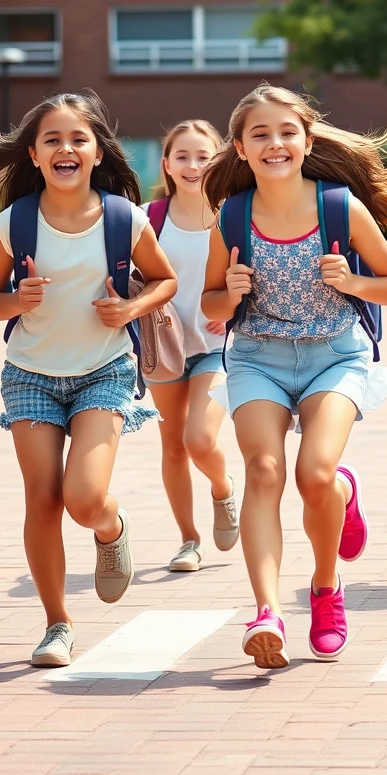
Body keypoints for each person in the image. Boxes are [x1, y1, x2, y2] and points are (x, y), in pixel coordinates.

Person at [201, 83, 387, 668]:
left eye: (287, 132)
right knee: (263, 470)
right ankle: (267, 611)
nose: (275, 143)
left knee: (315, 474)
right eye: (259, 134)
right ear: (239, 147)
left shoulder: (338, 206)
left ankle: (327, 585)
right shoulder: (231, 217)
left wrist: (352, 281)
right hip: (258, 354)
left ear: (308, 142)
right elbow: (209, 307)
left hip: (335, 353)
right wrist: (227, 294)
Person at [0, 90, 177, 668]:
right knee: (43, 498)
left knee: (83, 497)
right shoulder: (16, 223)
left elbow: (164, 281)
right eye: (52, 140)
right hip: (30, 374)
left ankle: (111, 526)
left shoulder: (123, 219)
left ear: (99, 151)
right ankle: (57, 623)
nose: (66, 148)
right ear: (32, 155)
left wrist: (131, 310)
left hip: (104, 371)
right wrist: (16, 300)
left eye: (78, 138)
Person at [144, 120, 239, 573]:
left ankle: (222, 488)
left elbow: (256, 275)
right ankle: (188, 539)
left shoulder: (234, 215)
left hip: (216, 345)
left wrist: (236, 310)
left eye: (203, 156)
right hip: (163, 348)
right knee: (172, 447)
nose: (193, 165)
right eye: (182, 156)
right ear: (166, 164)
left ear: (218, 160)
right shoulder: (148, 218)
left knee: (199, 439)